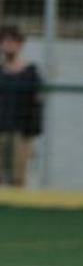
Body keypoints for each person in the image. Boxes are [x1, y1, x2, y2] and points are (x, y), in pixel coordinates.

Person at [0, 25, 43, 187]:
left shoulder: (31, 73)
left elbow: (38, 104)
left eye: (12, 41)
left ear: (20, 44)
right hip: (1, 131)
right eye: (4, 41)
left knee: (19, 179)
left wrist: (33, 131)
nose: (8, 45)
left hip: (22, 133)